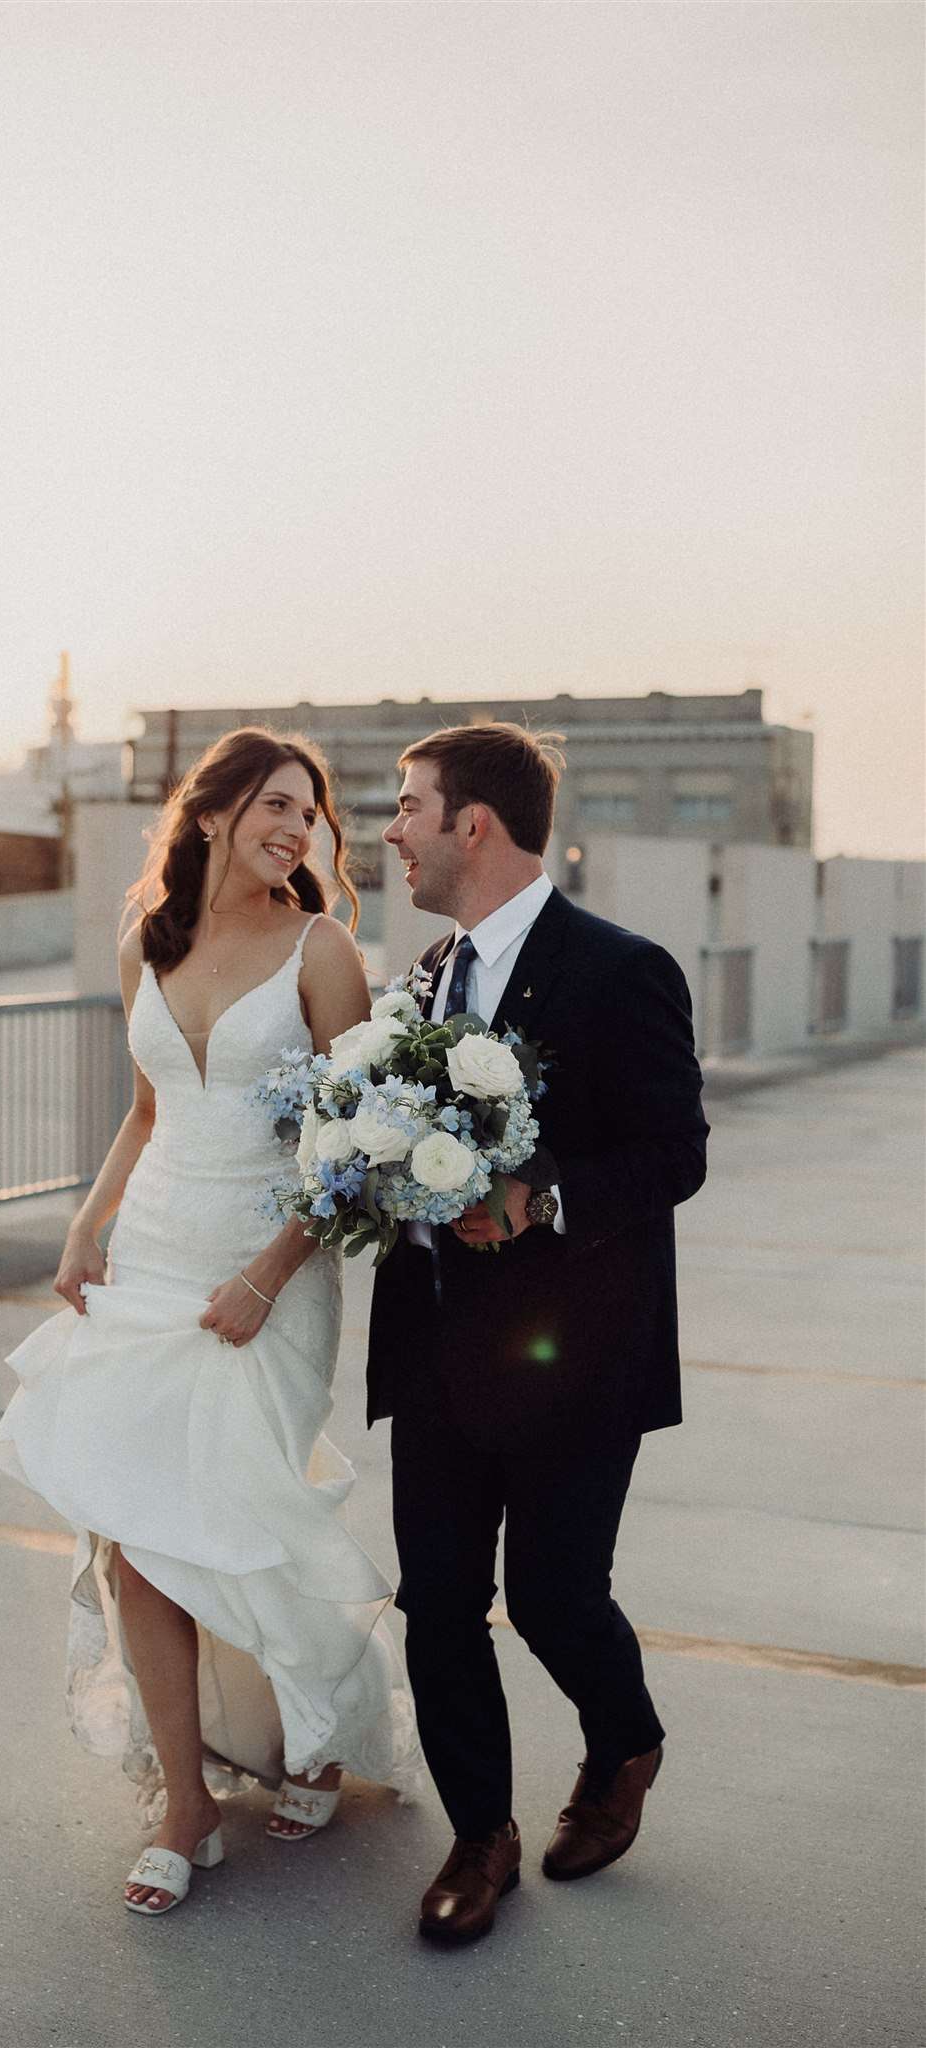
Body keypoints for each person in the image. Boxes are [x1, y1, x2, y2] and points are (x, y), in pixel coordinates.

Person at [0, 727, 421, 1917]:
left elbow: (353, 1151)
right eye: (277, 805)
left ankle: (321, 1731)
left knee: (243, 1517)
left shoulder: (321, 947)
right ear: (214, 809)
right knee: (136, 1534)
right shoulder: (149, 941)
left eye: (313, 814)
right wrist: (87, 1225)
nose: (300, 830)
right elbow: (143, 1108)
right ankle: (186, 1802)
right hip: (152, 1258)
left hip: (265, 1272)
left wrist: (270, 1274)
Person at [369, 722, 707, 1946]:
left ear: (474, 823)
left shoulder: (621, 969)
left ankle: (624, 1741)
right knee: (441, 1602)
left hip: (576, 1350)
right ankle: (480, 1835)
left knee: (556, 1596)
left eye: (407, 806)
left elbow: (676, 1152)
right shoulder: (418, 978)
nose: (389, 829)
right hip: (434, 1347)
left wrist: (541, 1192)